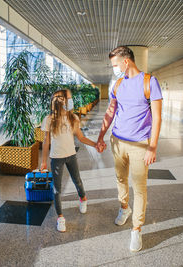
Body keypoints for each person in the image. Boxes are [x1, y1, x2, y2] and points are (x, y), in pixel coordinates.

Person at [96, 46, 163, 252]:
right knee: (120, 179)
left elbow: (158, 117)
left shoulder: (149, 81)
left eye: (115, 65)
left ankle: (136, 229)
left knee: (139, 187)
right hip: (118, 141)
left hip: (140, 145)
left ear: (126, 62)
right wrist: (100, 136)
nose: (114, 68)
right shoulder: (118, 84)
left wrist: (152, 147)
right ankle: (124, 208)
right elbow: (110, 111)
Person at [40, 89, 97, 232]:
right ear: (60, 101)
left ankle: (83, 198)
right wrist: (43, 161)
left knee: (77, 180)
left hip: (71, 155)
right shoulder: (49, 119)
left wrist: (96, 145)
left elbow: (81, 138)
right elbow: (46, 142)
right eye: (69, 98)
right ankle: (60, 217)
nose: (71, 101)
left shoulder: (73, 118)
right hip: (56, 158)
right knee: (57, 189)